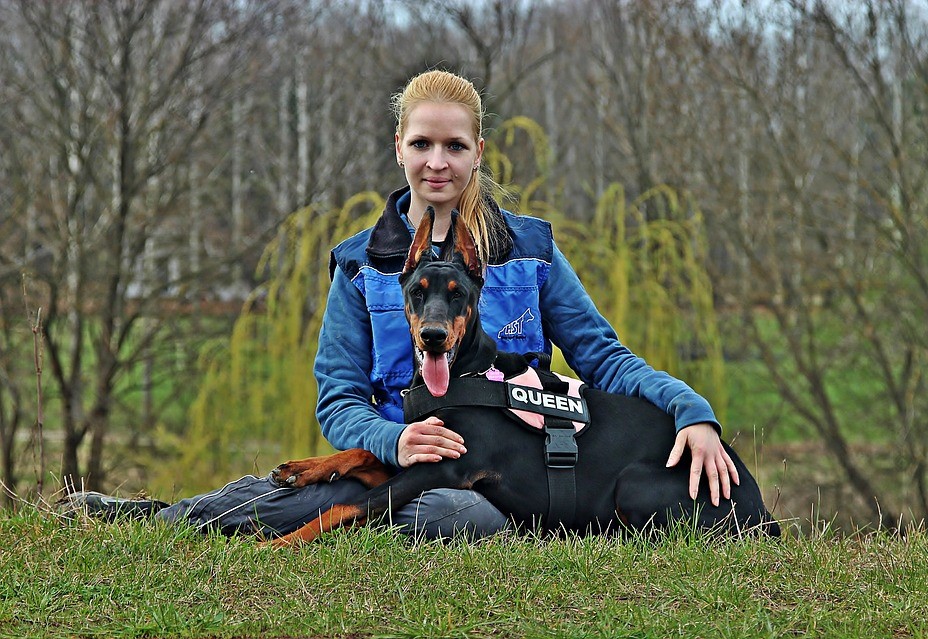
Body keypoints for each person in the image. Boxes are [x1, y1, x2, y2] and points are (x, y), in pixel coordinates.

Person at [64, 69, 738, 539]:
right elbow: (339, 399)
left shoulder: (528, 251)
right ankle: (154, 516)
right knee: (326, 494)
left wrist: (691, 410)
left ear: (479, 154)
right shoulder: (360, 264)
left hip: (499, 472)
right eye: (422, 143)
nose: (437, 161)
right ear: (399, 149)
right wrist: (396, 438)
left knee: (453, 515)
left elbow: (604, 358)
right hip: (398, 457)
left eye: (454, 145)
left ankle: (350, 512)